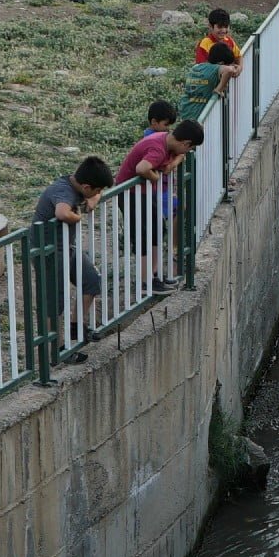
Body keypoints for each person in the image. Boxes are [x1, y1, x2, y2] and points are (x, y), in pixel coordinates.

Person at [34, 157, 112, 347]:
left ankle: (75, 328)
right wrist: (76, 217)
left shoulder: (77, 184)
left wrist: (94, 197)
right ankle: (55, 350)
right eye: (97, 190)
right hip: (49, 252)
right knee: (54, 302)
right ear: (86, 186)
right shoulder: (63, 191)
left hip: (66, 247)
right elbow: (62, 213)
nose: (99, 193)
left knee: (91, 281)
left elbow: (94, 195)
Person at [119, 118, 202, 292]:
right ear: (186, 142)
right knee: (143, 236)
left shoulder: (167, 140)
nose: (187, 152)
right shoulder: (157, 148)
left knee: (158, 231)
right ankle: (144, 282)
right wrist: (156, 177)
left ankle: (154, 275)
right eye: (190, 148)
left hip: (145, 193)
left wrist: (171, 164)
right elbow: (142, 169)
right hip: (131, 194)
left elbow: (179, 155)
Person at [182, 42, 240, 120]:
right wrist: (218, 90)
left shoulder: (196, 67)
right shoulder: (216, 68)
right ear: (221, 63)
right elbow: (229, 71)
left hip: (186, 109)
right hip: (199, 115)